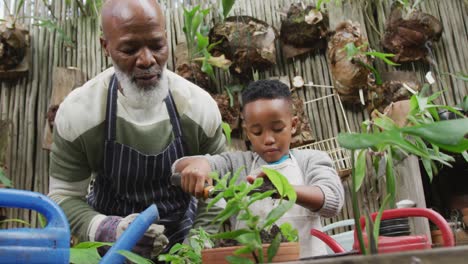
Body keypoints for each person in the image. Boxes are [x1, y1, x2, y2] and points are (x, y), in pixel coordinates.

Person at [47, 0, 226, 259]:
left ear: (166, 37)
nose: (147, 59)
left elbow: (220, 189)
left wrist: (192, 250)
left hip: (185, 237)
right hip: (112, 251)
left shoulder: (197, 108)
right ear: (105, 47)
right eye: (129, 49)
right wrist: (108, 229)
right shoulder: (79, 114)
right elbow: (62, 197)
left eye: (156, 45)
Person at [173, 80, 345, 257]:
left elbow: (332, 201)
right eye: (257, 132)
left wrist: (282, 188)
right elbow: (178, 167)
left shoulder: (310, 160)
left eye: (277, 128)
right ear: (247, 132)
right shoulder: (238, 164)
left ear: (293, 125)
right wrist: (200, 165)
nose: (268, 139)